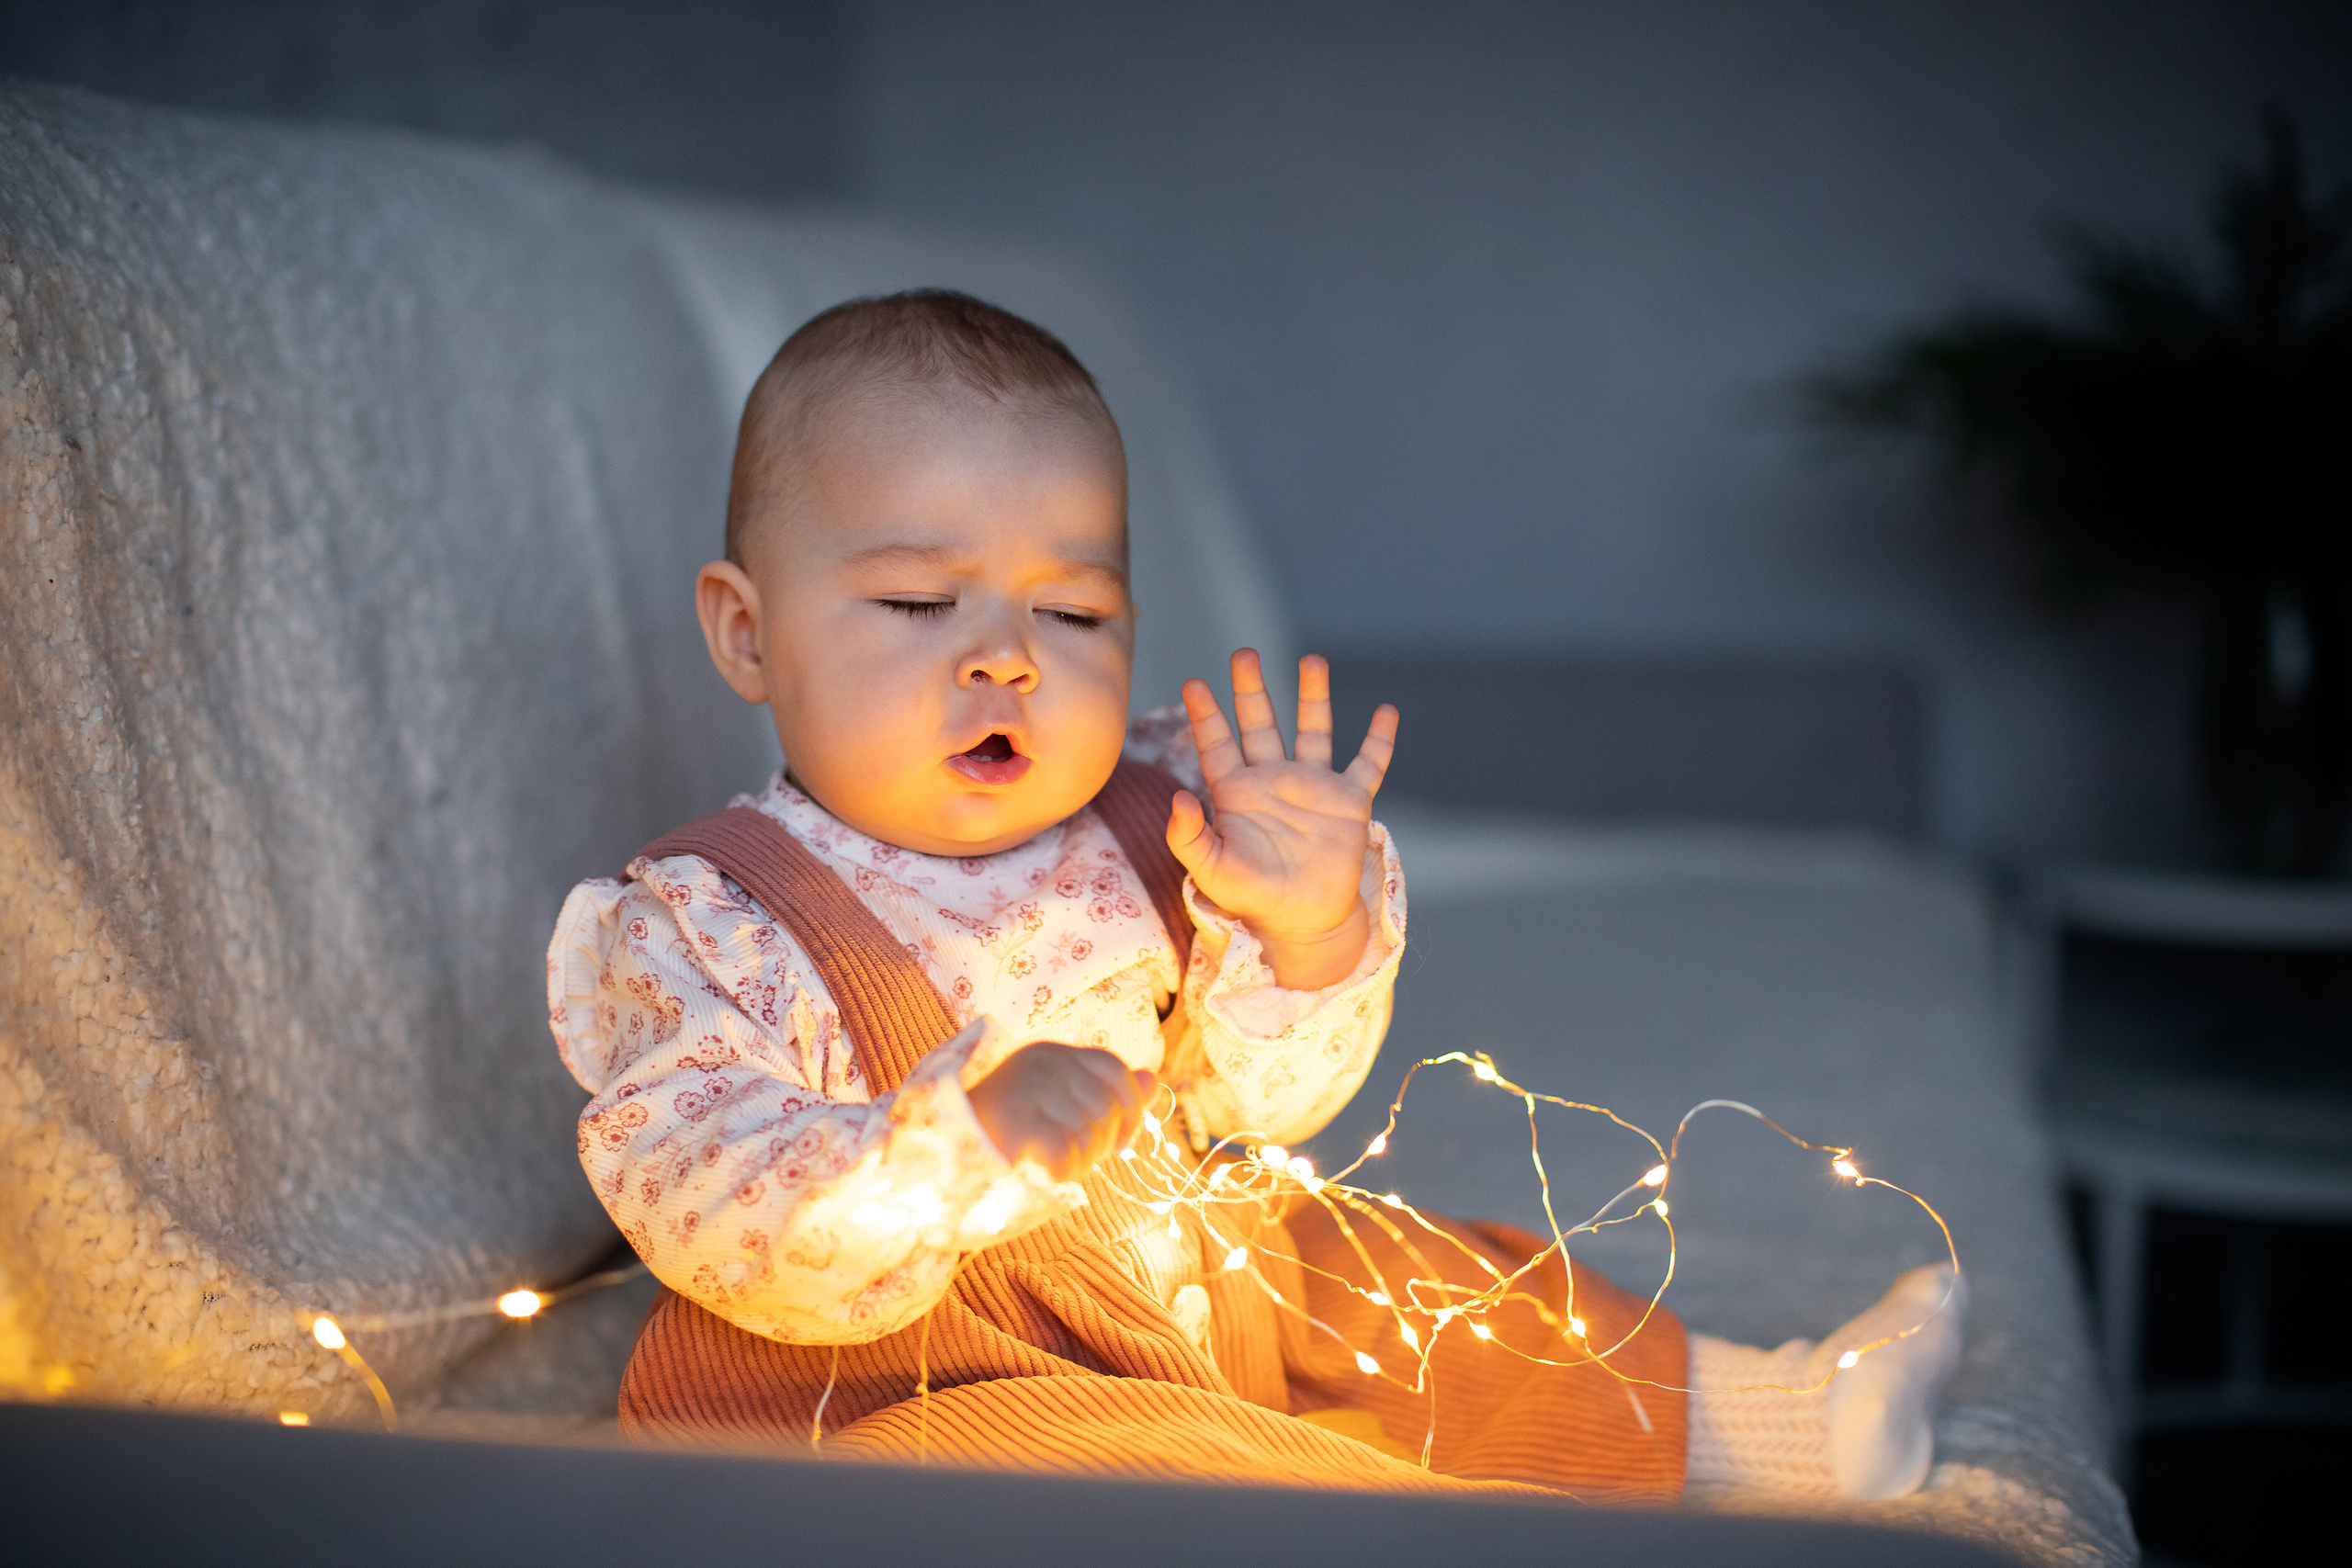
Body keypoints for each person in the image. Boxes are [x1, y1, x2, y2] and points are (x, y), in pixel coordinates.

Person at [548, 289, 1962, 1501]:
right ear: (748, 631)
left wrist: (1308, 930)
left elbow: (1262, 1108)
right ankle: (1347, 1510)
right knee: (1116, 1463)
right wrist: (945, 1150)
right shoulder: (708, 919)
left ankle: (1769, 1417)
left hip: (1193, 1284)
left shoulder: (1163, 821)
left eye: (1073, 612)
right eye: (921, 603)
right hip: (894, 1381)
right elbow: (702, 1189)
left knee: (1404, 1282)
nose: (1006, 658)